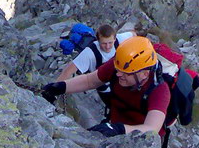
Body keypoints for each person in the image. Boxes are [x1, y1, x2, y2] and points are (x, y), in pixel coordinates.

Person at [42, 36, 171, 142]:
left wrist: (119, 129)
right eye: (118, 71)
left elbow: (151, 128)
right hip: (115, 126)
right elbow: (90, 81)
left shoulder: (160, 91)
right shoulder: (121, 64)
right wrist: (60, 87)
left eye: (126, 73)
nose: (119, 74)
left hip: (141, 142)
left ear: (144, 74)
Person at [56, 23, 135, 109]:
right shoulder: (90, 52)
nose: (108, 47)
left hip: (122, 81)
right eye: (104, 43)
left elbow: (134, 34)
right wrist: (54, 89)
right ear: (97, 40)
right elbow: (68, 71)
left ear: (114, 39)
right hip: (106, 89)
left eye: (110, 43)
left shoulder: (120, 39)